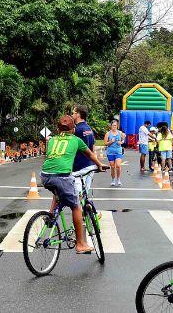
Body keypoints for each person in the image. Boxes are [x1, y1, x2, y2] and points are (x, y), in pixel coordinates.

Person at [40, 115, 108, 254]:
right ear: (73, 129)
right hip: (62, 177)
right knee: (76, 206)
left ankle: (51, 217)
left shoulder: (52, 140)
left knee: (57, 194)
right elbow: (90, 155)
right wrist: (99, 165)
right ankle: (80, 244)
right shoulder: (76, 140)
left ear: (58, 129)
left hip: (45, 176)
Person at [71, 105, 95, 174]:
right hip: (90, 165)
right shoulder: (89, 129)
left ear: (78, 114)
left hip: (80, 167)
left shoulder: (76, 130)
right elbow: (93, 147)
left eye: (73, 113)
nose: (72, 115)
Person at [104, 120, 125, 187]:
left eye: (115, 125)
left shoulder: (120, 133)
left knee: (118, 165)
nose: (114, 127)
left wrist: (121, 142)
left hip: (118, 151)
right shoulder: (108, 133)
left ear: (117, 126)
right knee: (112, 167)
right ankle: (113, 180)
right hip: (110, 152)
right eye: (113, 125)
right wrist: (110, 142)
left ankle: (118, 179)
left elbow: (124, 139)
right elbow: (105, 143)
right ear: (111, 126)